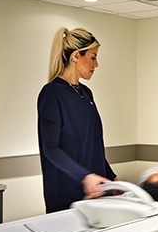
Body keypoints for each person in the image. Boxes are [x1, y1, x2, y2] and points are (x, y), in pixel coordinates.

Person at [37, 27, 116, 213]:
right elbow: (50, 148)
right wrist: (85, 177)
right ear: (75, 56)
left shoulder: (86, 93)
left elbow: (93, 144)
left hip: (96, 192)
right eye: (93, 57)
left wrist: (112, 179)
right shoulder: (52, 94)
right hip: (67, 195)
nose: (96, 64)